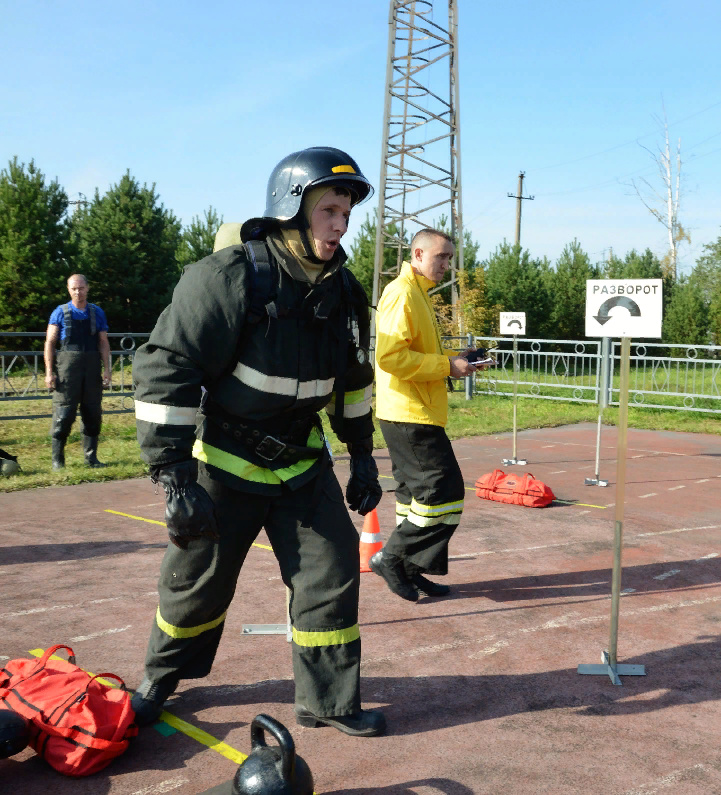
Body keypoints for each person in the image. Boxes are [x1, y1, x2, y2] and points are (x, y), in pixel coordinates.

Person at [130, 146, 385, 737]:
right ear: (291, 210)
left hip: (302, 463)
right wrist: (173, 477)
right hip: (225, 461)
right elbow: (166, 367)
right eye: (328, 210)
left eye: (346, 213)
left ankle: (328, 701)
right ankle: (159, 680)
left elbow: (352, 383)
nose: (340, 225)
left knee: (331, 574)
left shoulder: (344, 295)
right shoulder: (225, 279)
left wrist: (363, 456)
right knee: (196, 584)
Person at [371, 228, 488, 602]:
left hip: (416, 411)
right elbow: (390, 357)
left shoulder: (419, 294)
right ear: (418, 254)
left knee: (413, 497)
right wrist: (447, 366)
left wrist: (460, 360)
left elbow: (418, 352)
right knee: (444, 492)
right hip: (408, 413)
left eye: (450, 258)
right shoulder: (402, 293)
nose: (447, 265)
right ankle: (392, 557)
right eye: (441, 257)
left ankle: (410, 568)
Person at [44, 274, 111, 469]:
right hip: (67, 372)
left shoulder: (97, 312)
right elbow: (49, 343)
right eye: (74, 288)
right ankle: (58, 461)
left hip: (91, 371)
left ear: (87, 288)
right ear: (68, 289)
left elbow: (103, 342)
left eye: (81, 288)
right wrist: (49, 372)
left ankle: (91, 459)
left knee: (92, 414)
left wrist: (107, 370)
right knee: (63, 415)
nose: (78, 292)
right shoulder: (59, 312)